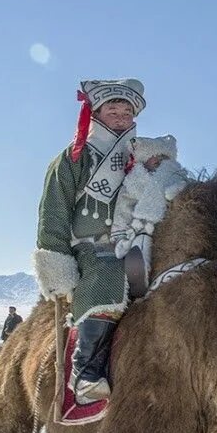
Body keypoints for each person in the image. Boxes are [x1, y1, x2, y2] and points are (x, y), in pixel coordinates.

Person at [36, 79, 151, 404]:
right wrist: (57, 267)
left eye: (126, 111)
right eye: (112, 109)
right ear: (96, 113)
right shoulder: (73, 159)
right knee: (109, 273)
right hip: (92, 248)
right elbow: (54, 213)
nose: (119, 116)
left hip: (138, 244)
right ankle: (85, 372)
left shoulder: (143, 160)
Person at [110, 134, 190, 294]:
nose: (158, 161)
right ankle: (139, 276)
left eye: (162, 157)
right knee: (141, 242)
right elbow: (124, 207)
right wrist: (119, 234)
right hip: (142, 226)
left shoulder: (178, 178)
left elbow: (186, 194)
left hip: (170, 227)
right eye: (154, 157)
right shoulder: (134, 182)